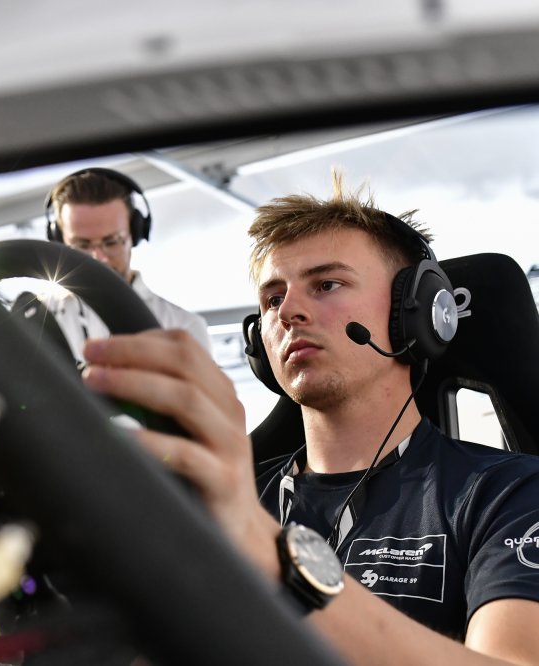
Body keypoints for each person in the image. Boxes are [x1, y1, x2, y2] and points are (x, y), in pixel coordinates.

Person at [79, 173, 539, 664]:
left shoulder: (508, 494)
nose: (289, 311)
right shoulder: (226, 500)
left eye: (326, 284)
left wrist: (265, 548)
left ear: (415, 313)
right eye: (273, 298)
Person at [42, 168, 213, 360]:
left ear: (135, 234)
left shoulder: (184, 327)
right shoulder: (33, 323)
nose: (98, 258)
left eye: (111, 242)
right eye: (82, 245)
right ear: (59, 241)